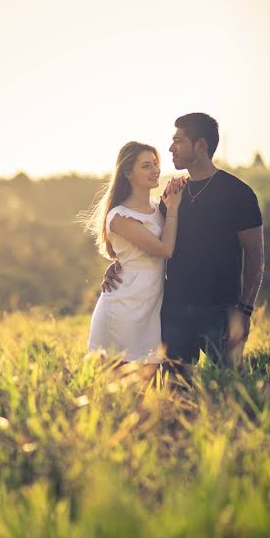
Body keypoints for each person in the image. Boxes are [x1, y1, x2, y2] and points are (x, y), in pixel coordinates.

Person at [102, 113, 265, 374]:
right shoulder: (172, 195)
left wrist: (244, 312)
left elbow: (256, 258)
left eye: (178, 141)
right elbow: (147, 240)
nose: (170, 148)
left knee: (231, 387)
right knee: (175, 391)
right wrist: (118, 265)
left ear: (200, 146)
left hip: (221, 312)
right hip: (173, 310)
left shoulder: (239, 194)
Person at [81, 141, 186, 375]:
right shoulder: (119, 216)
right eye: (146, 166)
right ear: (128, 173)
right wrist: (174, 208)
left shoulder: (157, 207)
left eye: (156, 164)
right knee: (116, 389)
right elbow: (164, 250)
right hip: (123, 309)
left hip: (150, 309)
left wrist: (170, 204)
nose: (155, 170)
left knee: (146, 388)